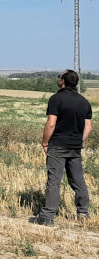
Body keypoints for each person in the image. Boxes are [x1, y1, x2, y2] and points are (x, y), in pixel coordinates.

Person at [31, 69, 92, 226]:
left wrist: (45, 142)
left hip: (58, 145)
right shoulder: (84, 102)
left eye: (59, 77)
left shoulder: (56, 99)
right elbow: (89, 127)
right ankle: (83, 213)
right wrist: (78, 140)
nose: (58, 79)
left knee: (54, 180)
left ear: (63, 81)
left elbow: (51, 123)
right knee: (78, 180)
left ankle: (47, 217)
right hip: (75, 147)